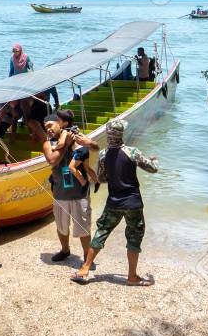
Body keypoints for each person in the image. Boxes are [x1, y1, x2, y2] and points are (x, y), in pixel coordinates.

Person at [73, 118, 158, 286]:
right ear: (121, 134)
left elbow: (102, 178)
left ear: (108, 134)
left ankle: (85, 269)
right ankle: (132, 277)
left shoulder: (103, 154)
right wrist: (154, 160)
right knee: (134, 238)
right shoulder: (132, 152)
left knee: (102, 231)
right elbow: (152, 169)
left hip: (113, 202)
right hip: (133, 202)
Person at [42, 110, 99, 265]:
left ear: (60, 124)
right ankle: (65, 250)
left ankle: (87, 256)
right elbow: (53, 161)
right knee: (61, 226)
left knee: (83, 226)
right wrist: (64, 144)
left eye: (50, 125)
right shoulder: (48, 144)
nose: (48, 129)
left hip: (79, 193)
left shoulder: (76, 138)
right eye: (45, 127)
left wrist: (88, 142)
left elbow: (96, 148)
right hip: (60, 192)